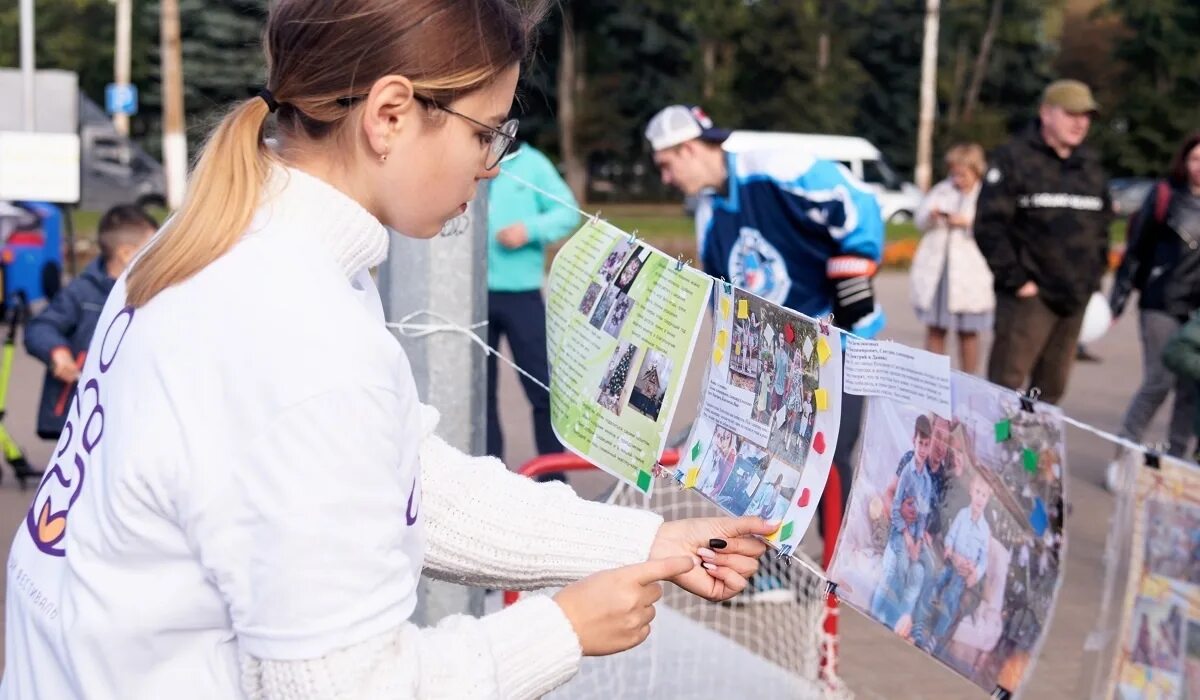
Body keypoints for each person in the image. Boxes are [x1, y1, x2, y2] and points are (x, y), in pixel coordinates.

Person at [1, 3, 778, 698]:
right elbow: (338, 684)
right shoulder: (302, 338)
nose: (495, 164)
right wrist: (562, 630)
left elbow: (396, 479)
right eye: (487, 131)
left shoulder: (223, 237)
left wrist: (645, 540)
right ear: (391, 114)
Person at [644, 104, 887, 556]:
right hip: (783, 358)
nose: (666, 178)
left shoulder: (775, 167)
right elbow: (726, 297)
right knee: (771, 462)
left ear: (690, 148)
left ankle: (840, 561)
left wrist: (855, 265)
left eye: (666, 164)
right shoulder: (709, 213)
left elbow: (859, 201)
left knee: (830, 460)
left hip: (843, 341)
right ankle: (775, 561)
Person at [975, 79, 1112, 405]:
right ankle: (995, 452)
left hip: (1074, 296)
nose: (1081, 123)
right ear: (1046, 114)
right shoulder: (1014, 158)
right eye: (1072, 114)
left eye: (1087, 116)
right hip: (1029, 297)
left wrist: (1093, 277)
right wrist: (1017, 281)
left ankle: (1031, 457)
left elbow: (1103, 226)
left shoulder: (1090, 165)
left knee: (1050, 392)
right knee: (1005, 388)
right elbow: (989, 227)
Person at [1107, 133, 1200, 489]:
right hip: (1161, 302)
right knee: (1159, 380)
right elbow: (1135, 250)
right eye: (1194, 159)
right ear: (1184, 161)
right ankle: (1123, 453)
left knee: (1191, 387)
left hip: (1196, 311)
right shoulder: (1165, 197)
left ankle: (1177, 461)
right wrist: (1118, 297)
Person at [485, 141, 579, 477]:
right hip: (473, 297)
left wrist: (529, 230)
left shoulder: (533, 163)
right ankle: (487, 476)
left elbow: (568, 211)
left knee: (542, 388)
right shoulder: (470, 154)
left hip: (521, 294)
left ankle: (554, 478)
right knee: (480, 392)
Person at [25, 205, 157, 443]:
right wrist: (59, 354)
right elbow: (41, 327)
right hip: (82, 411)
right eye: (152, 249)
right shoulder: (83, 292)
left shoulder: (153, 294)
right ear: (126, 253)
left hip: (128, 411)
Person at [910, 144, 994, 373]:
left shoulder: (986, 194)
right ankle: (933, 381)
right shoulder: (942, 190)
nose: (958, 179)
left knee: (968, 331)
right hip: (939, 270)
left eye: (963, 174)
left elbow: (994, 226)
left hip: (969, 273)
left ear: (976, 171)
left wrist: (966, 222)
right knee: (936, 328)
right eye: (954, 174)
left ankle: (969, 379)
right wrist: (932, 215)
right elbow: (919, 220)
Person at [912, 473, 993, 653]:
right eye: (978, 492)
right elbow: (951, 535)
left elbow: (984, 559)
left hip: (962, 573)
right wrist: (948, 547)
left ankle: (935, 636)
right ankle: (919, 624)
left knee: (951, 596)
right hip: (951, 563)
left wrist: (975, 573)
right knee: (934, 584)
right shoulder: (962, 515)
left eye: (984, 495)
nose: (980, 498)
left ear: (988, 499)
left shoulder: (985, 531)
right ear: (971, 492)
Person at [870, 415, 934, 631]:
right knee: (901, 566)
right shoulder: (908, 471)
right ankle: (880, 614)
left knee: (921, 572)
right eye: (920, 444)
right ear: (913, 441)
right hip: (901, 531)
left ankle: (903, 622)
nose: (923, 449)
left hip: (915, 534)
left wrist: (917, 542)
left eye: (927, 445)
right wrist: (907, 536)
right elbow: (896, 505)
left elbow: (923, 515)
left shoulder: (926, 479)